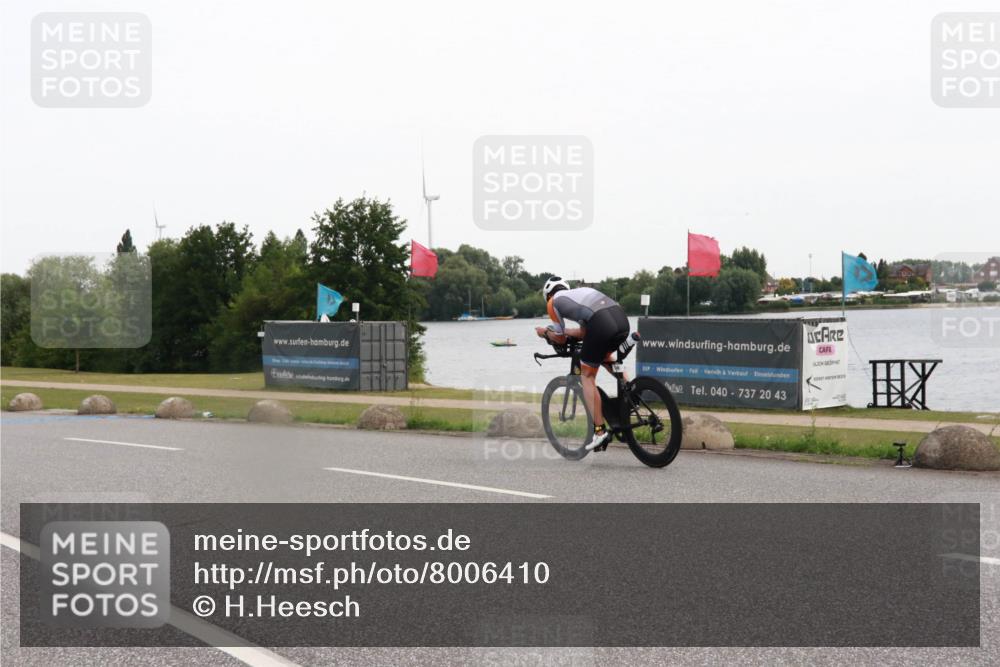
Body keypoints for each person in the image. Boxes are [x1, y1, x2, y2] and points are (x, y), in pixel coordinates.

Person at [535, 277, 630, 451]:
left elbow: (560, 337)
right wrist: (568, 333)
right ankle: (631, 392)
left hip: (601, 323)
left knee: (586, 376)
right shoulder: (580, 294)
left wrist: (545, 333)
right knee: (606, 356)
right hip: (621, 320)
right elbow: (585, 332)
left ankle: (600, 432)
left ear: (548, 294)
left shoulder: (552, 302)